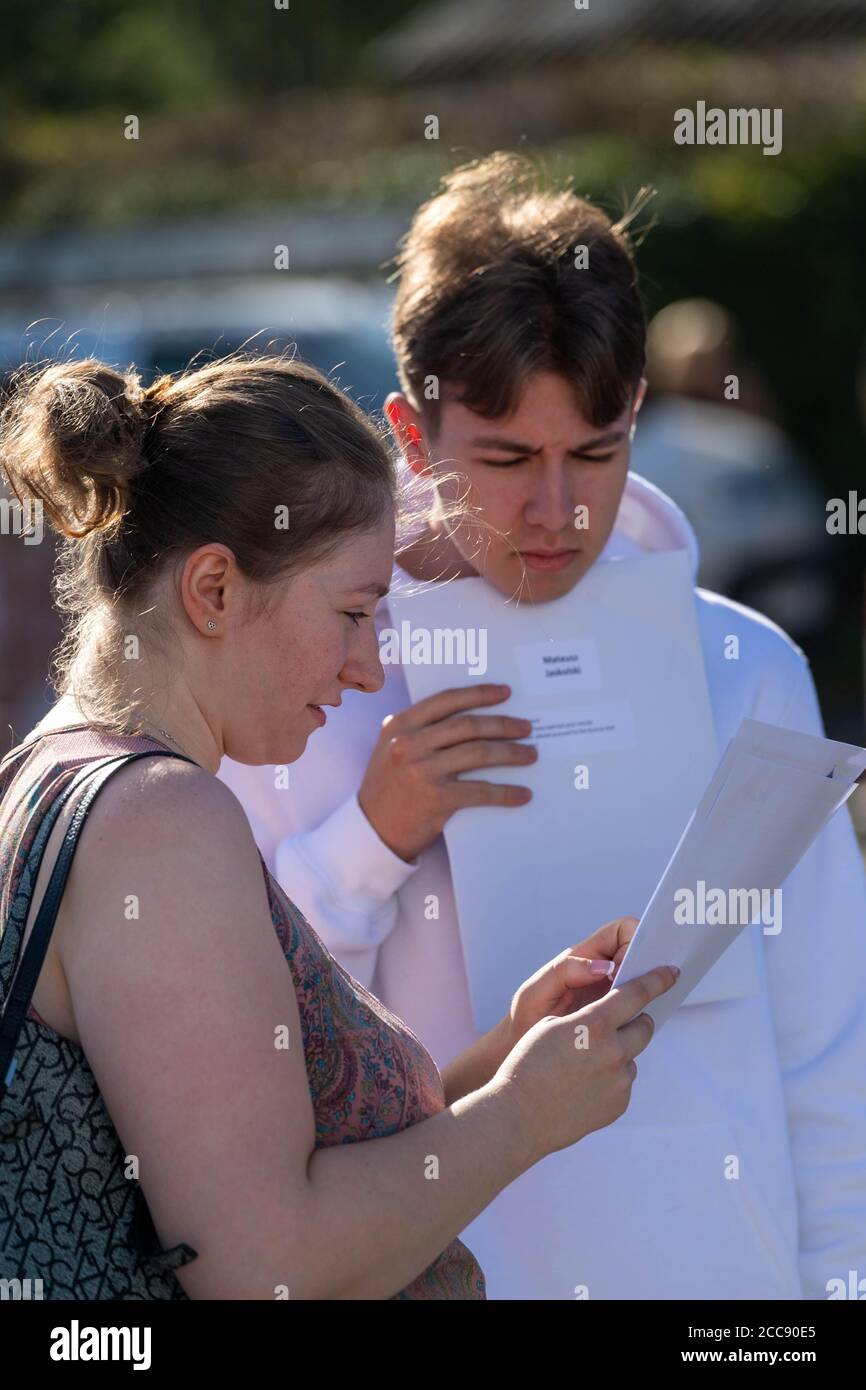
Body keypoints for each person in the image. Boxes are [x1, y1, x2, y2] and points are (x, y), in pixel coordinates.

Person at [219, 152, 866, 1301]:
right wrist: (372, 837)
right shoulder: (301, 678)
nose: (557, 511)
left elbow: (828, 1050)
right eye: (508, 459)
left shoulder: (749, 668)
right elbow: (251, 1071)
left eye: (597, 453)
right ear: (408, 438)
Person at [0, 352, 677, 1300]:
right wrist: (524, 1116)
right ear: (214, 591)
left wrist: (505, 1061)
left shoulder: (49, 772)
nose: (368, 667)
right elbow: (266, 1268)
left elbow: (265, 1148)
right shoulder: (159, 819)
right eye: (354, 611)